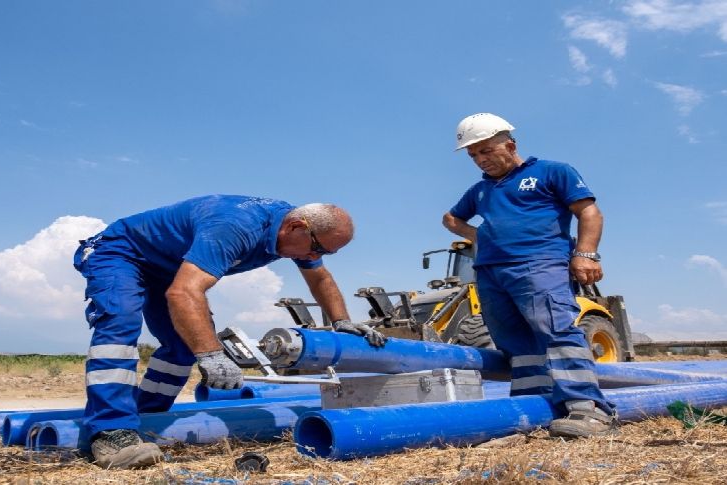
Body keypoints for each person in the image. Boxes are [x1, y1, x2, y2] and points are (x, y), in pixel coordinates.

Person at [73, 195, 385, 469]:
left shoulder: (300, 234)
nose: (315, 256)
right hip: (121, 253)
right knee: (119, 325)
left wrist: (341, 321)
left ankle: (145, 419)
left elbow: (321, 279)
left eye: (326, 253)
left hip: (167, 267)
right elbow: (183, 293)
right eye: (317, 248)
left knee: (182, 347)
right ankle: (111, 433)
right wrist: (211, 355)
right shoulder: (235, 226)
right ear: (295, 227)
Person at [442, 113, 617, 438]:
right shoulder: (481, 191)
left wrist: (585, 253)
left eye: (486, 151)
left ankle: (589, 410)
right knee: (516, 343)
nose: (481, 159)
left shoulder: (551, 172)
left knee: (556, 329)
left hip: (539, 264)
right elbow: (450, 218)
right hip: (491, 273)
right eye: (473, 155)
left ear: (510, 144)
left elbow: (589, 211)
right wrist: (479, 235)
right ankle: (532, 409)